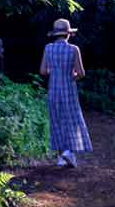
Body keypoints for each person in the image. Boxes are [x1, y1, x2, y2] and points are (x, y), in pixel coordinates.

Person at [39, 18, 93, 167]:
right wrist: (71, 75)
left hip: (54, 89)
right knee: (71, 120)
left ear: (55, 34)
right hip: (69, 89)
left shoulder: (48, 48)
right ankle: (69, 151)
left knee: (56, 121)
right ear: (68, 34)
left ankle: (61, 157)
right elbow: (81, 73)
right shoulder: (73, 49)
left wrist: (54, 71)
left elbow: (43, 71)